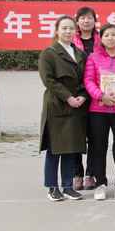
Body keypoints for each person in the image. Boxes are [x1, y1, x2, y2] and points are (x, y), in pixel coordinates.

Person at [38, 16, 88, 202]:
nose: (68, 31)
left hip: (76, 106)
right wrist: (68, 97)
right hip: (57, 105)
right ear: (57, 31)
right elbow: (48, 80)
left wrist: (83, 96)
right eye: (64, 28)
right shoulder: (49, 53)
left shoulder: (80, 54)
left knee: (71, 148)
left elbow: (86, 79)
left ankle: (68, 186)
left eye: (71, 28)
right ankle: (52, 187)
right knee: (55, 149)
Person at [83, 23, 115, 200]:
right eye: (106, 35)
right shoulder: (93, 57)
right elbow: (88, 80)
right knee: (98, 147)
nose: (110, 38)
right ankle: (100, 183)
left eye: (114, 35)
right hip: (98, 109)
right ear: (101, 39)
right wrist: (101, 96)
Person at [72, 6, 99, 191]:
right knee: (76, 136)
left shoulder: (101, 40)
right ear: (77, 21)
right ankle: (77, 174)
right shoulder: (71, 41)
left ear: (94, 20)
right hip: (77, 95)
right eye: (82, 18)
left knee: (95, 137)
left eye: (89, 18)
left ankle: (91, 174)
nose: (86, 21)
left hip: (97, 95)